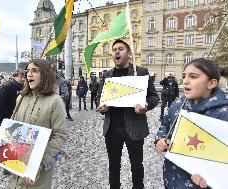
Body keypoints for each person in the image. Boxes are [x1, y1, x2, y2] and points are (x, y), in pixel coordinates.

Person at [0, 59, 67, 189]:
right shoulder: (21, 98)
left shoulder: (55, 101)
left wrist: (39, 164)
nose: (29, 74)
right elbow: (11, 130)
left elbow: (59, 136)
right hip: (17, 166)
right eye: (28, 71)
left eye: (34, 71)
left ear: (46, 74)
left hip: (38, 173)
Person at [155, 58, 228, 189]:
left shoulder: (224, 114)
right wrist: (161, 139)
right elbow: (165, 126)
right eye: (184, 76)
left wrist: (214, 175)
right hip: (171, 178)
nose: (185, 81)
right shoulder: (177, 105)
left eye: (193, 76)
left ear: (211, 83)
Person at [97, 39, 159, 189]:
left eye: (121, 49)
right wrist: (101, 108)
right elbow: (100, 98)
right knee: (113, 165)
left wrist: (146, 105)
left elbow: (154, 97)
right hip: (112, 129)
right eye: (114, 50)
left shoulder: (141, 72)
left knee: (137, 165)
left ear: (129, 54)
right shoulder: (107, 75)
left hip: (134, 128)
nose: (116, 52)